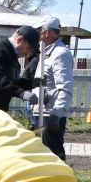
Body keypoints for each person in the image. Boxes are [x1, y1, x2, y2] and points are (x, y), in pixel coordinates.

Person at [31, 16, 74, 160]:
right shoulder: (45, 52)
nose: (37, 35)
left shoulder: (60, 54)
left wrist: (56, 113)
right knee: (41, 156)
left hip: (51, 114)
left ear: (47, 32)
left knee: (53, 155)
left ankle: (62, 181)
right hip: (40, 111)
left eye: (39, 31)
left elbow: (65, 87)